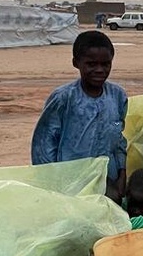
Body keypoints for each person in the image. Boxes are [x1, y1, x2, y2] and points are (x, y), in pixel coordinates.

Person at [32, 31, 128, 202]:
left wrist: (122, 173)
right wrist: (51, 185)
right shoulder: (64, 98)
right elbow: (44, 144)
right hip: (70, 184)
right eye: (91, 64)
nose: (99, 70)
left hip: (108, 182)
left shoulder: (118, 96)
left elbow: (119, 140)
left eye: (105, 64)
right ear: (76, 63)